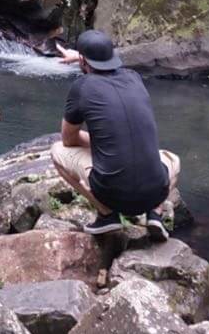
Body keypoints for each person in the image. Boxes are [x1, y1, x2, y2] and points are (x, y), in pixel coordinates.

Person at [52, 28, 180, 239]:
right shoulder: (134, 78)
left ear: (83, 62)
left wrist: (104, 143)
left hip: (112, 195)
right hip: (155, 191)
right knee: (173, 159)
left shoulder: (82, 87)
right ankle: (155, 214)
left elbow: (69, 139)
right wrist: (82, 58)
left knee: (57, 150)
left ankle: (107, 216)